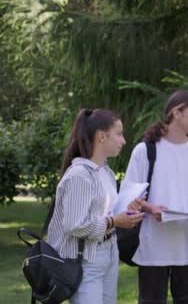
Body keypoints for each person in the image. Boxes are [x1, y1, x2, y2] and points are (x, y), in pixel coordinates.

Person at [124, 90, 188, 304]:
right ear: (177, 113)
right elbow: (129, 194)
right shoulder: (144, 151)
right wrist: (151, 208)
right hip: (153, 247)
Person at [47, 108, 144, 304]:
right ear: (101, 136)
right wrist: (115, 220)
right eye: (119, 134)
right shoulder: (80, 175)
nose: (123, 141)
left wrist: (126, 210)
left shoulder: (105, 172)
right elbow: (75, 225)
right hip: (85, 260)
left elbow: (106, 211)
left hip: (108, 252)